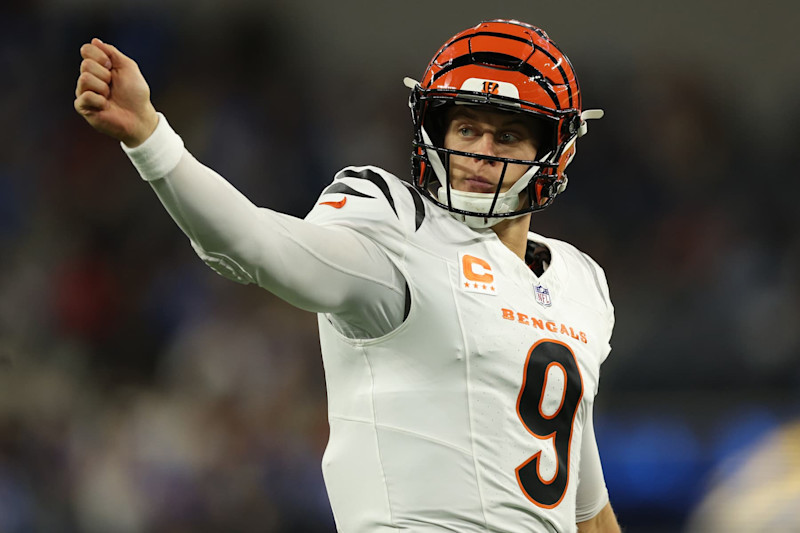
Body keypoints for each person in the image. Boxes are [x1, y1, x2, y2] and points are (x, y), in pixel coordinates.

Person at [74, 18, 620, 533]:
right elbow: (250, 243)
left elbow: (585, 503)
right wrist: (150, 135)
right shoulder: (398, 229)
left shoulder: (579, 282)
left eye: (506, 137)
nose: (480, 152)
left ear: (554, 152)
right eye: (467, 128)